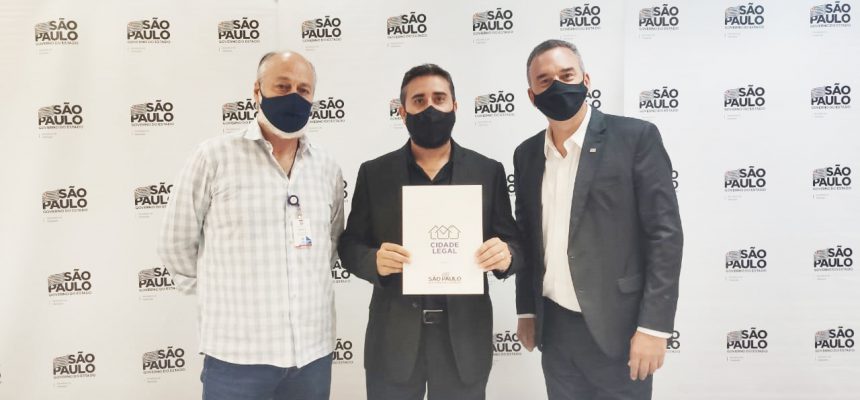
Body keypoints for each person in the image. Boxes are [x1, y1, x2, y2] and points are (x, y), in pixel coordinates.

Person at [158, 50, 343, 400]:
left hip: (311, 355)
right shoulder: (214, 157)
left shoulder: (327, 167)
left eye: (303, 90)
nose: (294, 96)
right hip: (237, 358)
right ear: (257, 91)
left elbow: (329, 246)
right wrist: (222, 295)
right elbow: (176, 244)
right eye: (282, 86)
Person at [338, 63, 522, 400]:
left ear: (455, 106)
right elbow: (350, 245)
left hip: (464, 341)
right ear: (402, 112)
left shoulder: (488, 171)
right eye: (419, 101)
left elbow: (514, 242)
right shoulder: (374, 173)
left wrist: (507, 254)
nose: (430, 108)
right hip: (393, 341)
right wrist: (372, 261)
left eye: (439, 98)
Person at [514, 39, 684, 400]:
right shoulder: (526, 155)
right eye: (544, 80)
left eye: (566, 75)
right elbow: (527, 236)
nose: (557, 85)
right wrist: (527, 310)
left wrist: (654, 326)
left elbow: (664, 235)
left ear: (586, 79)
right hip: (555, 330)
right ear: (532, 96)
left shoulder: (635, 138)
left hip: (619, 329)